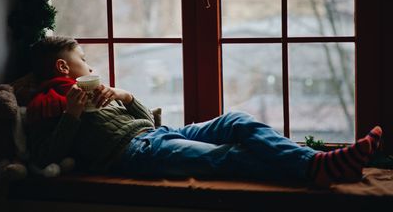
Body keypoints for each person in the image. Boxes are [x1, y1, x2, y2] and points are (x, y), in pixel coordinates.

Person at [26, 36, 382, 188]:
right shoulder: (47, 108)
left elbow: (147, 121)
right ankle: (314, 169)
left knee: (235, 121)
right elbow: (45, 158)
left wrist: (124, 94)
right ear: (62, 67)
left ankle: (319, 161)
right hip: (136, 153)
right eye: (83, 60)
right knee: (227, 156)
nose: (90, 65)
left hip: (156, 135)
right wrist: (72, 116)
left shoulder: (97, 95)